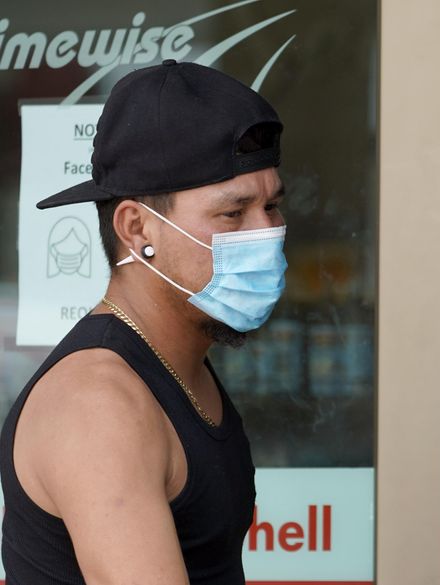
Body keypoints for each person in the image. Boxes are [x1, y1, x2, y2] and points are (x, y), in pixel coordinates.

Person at [0, 59, 287, 584]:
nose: (266, 233)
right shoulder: (99, 404)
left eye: (272, 206)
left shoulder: (177, 364)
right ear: (136, 227)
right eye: (233, 213)